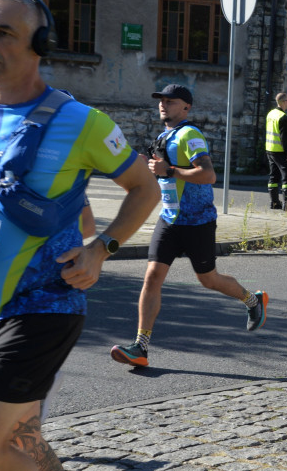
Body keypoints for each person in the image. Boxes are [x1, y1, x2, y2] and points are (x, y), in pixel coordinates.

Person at [0, 0, 160, 471]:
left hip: (44, 303)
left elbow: (145, 187)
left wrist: (101, 248)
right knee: (22, 439)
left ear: (40, 45)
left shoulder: (79, 121)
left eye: (3, 33)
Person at [111, 84, 270, 369]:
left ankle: (252, 300)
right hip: (170, 219)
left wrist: (168, 170)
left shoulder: (190, 135)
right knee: (152, 277)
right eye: (161, 100)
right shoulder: (164, 136)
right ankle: (140, 346)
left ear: (186, 107)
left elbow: (208, 175)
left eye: (171, 101)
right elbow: (163, 177)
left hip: (198, 222)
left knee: (208, 280)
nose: (163, 105)